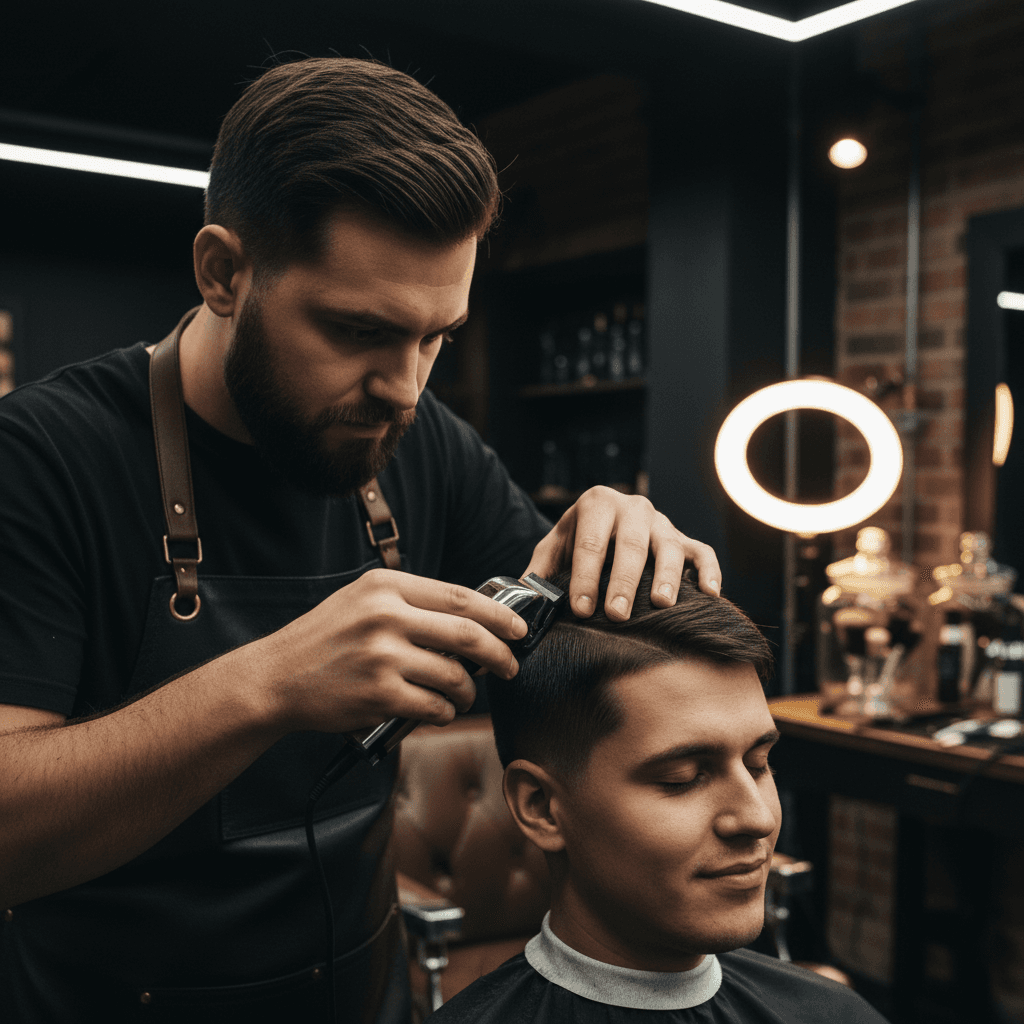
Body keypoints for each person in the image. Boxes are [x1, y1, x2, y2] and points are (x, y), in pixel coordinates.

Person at [0, 58, 721, 1022]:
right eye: (356, 331)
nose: (406, 388)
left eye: (436, 337)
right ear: (223, 272)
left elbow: (563, 640)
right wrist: (265, 685)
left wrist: (613, 543)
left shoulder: (425, 449)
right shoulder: (44, 458)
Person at [428, 567, 888, 1023]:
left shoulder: (834, 1013)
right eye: (682, 778)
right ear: (542, 808)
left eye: (757, 763)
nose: (757, 818)